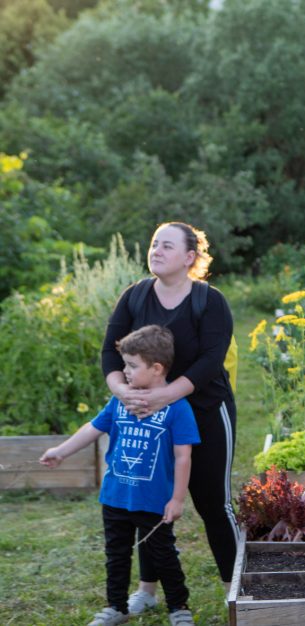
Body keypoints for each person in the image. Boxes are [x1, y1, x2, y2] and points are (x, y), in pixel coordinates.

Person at [101, 222, 237, 612]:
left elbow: (212, 361)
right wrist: (121, 389)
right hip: (148, 418)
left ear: (190, 257)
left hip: (207, 411)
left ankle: (234, 589)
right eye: (154, 244)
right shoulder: (135, 296)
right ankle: (146, 591)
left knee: (214, 503)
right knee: (149, 501)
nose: (156, 250)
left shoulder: (209, 301)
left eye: (167, 245)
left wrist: (165, 396)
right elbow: (110, 352)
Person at [41, 325, 200, 626]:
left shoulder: (177, 409)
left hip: (153, 500)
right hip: (115, 496)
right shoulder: (120, 402)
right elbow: (93, 428)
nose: (123, 372)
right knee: (116, 556)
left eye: (131, 365)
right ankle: (117, 607)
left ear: (156, 368)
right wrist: (61, 451)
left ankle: (179, 607)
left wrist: (177, 499)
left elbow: (183, 456)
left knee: (163, 555)